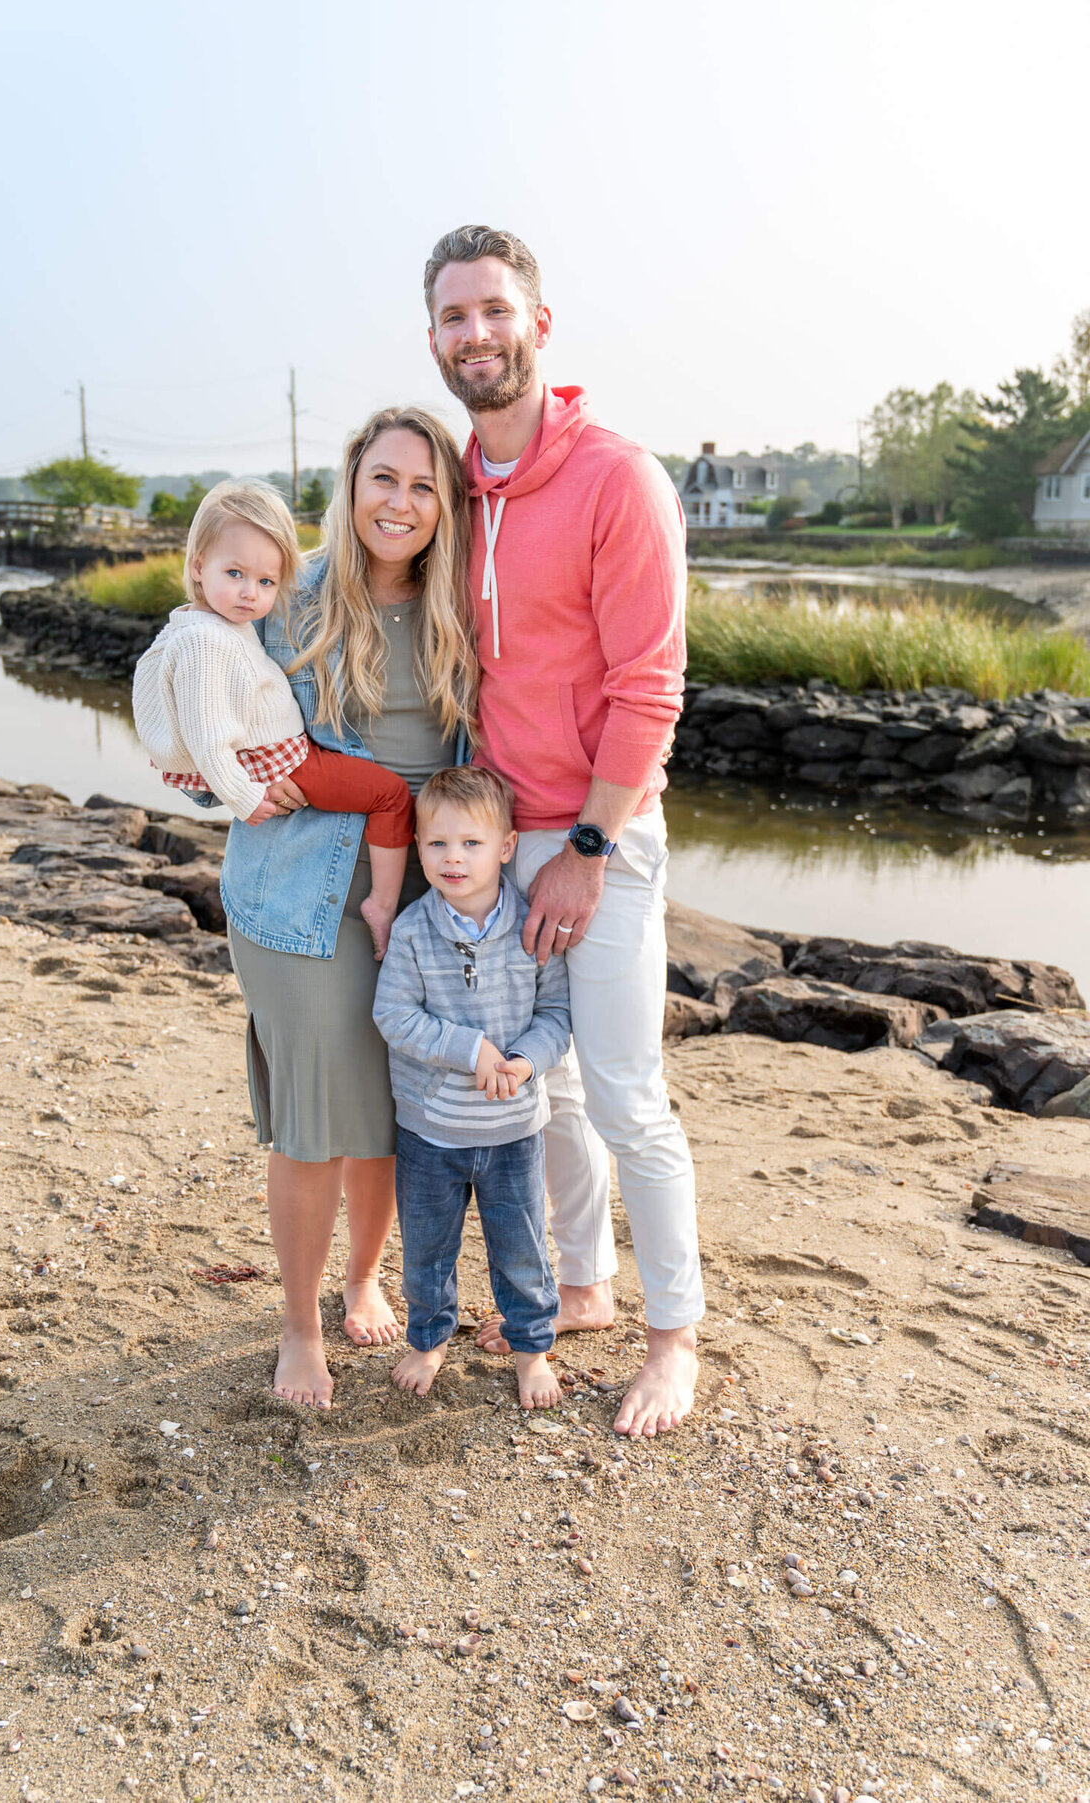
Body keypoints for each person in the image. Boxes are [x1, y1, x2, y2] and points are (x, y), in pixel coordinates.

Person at [423, 223, 704, 1438]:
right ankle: (581, 1285)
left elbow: (652, 682)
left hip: (600, 834)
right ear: (434, 339)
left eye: (493, 310)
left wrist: (588, 852)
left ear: (539, 322)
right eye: (452, 317)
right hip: (499, 831)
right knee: (557, 1094)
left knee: (631, 1093)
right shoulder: (457, 487)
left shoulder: (617, 476)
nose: (475, 334)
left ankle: (674, 1338)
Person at [217, 410, 478, 1406]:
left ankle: (362, 1280)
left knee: (384, 1115)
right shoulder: (297, 591)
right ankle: (296, 1328)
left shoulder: (460, 602)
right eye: (384, 479)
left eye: (422, 487)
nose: (401, 503)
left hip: (420, 887)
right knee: (316, 1113)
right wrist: (212, 765)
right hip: (299, 884)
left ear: (442, 505)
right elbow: (197, 667)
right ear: (353, 482)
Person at [132, 478, 415, 956]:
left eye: (266, 582)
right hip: (283, 764)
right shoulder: (207, 641)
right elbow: (208, 736)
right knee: (391, 796)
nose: (250, 593)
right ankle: (382, 906)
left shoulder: (215, 625)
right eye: (236, 574)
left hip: (282, 754)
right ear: (198, 566)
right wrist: (244, 796)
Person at [372, 766, 570, 1410]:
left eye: (471, 844)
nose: (453, 858)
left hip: (514, 1129)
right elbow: (394, 1016)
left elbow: (557, 1016)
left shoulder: (531, 925)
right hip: (432, 1128)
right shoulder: (412, 930)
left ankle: (531, 1350)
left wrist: (523, 1061)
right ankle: (429, 1338)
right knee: (428, 1247)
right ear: (417, 847)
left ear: (507, 847)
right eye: (437, 844)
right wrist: (472, 1050)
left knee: (522, 1246)